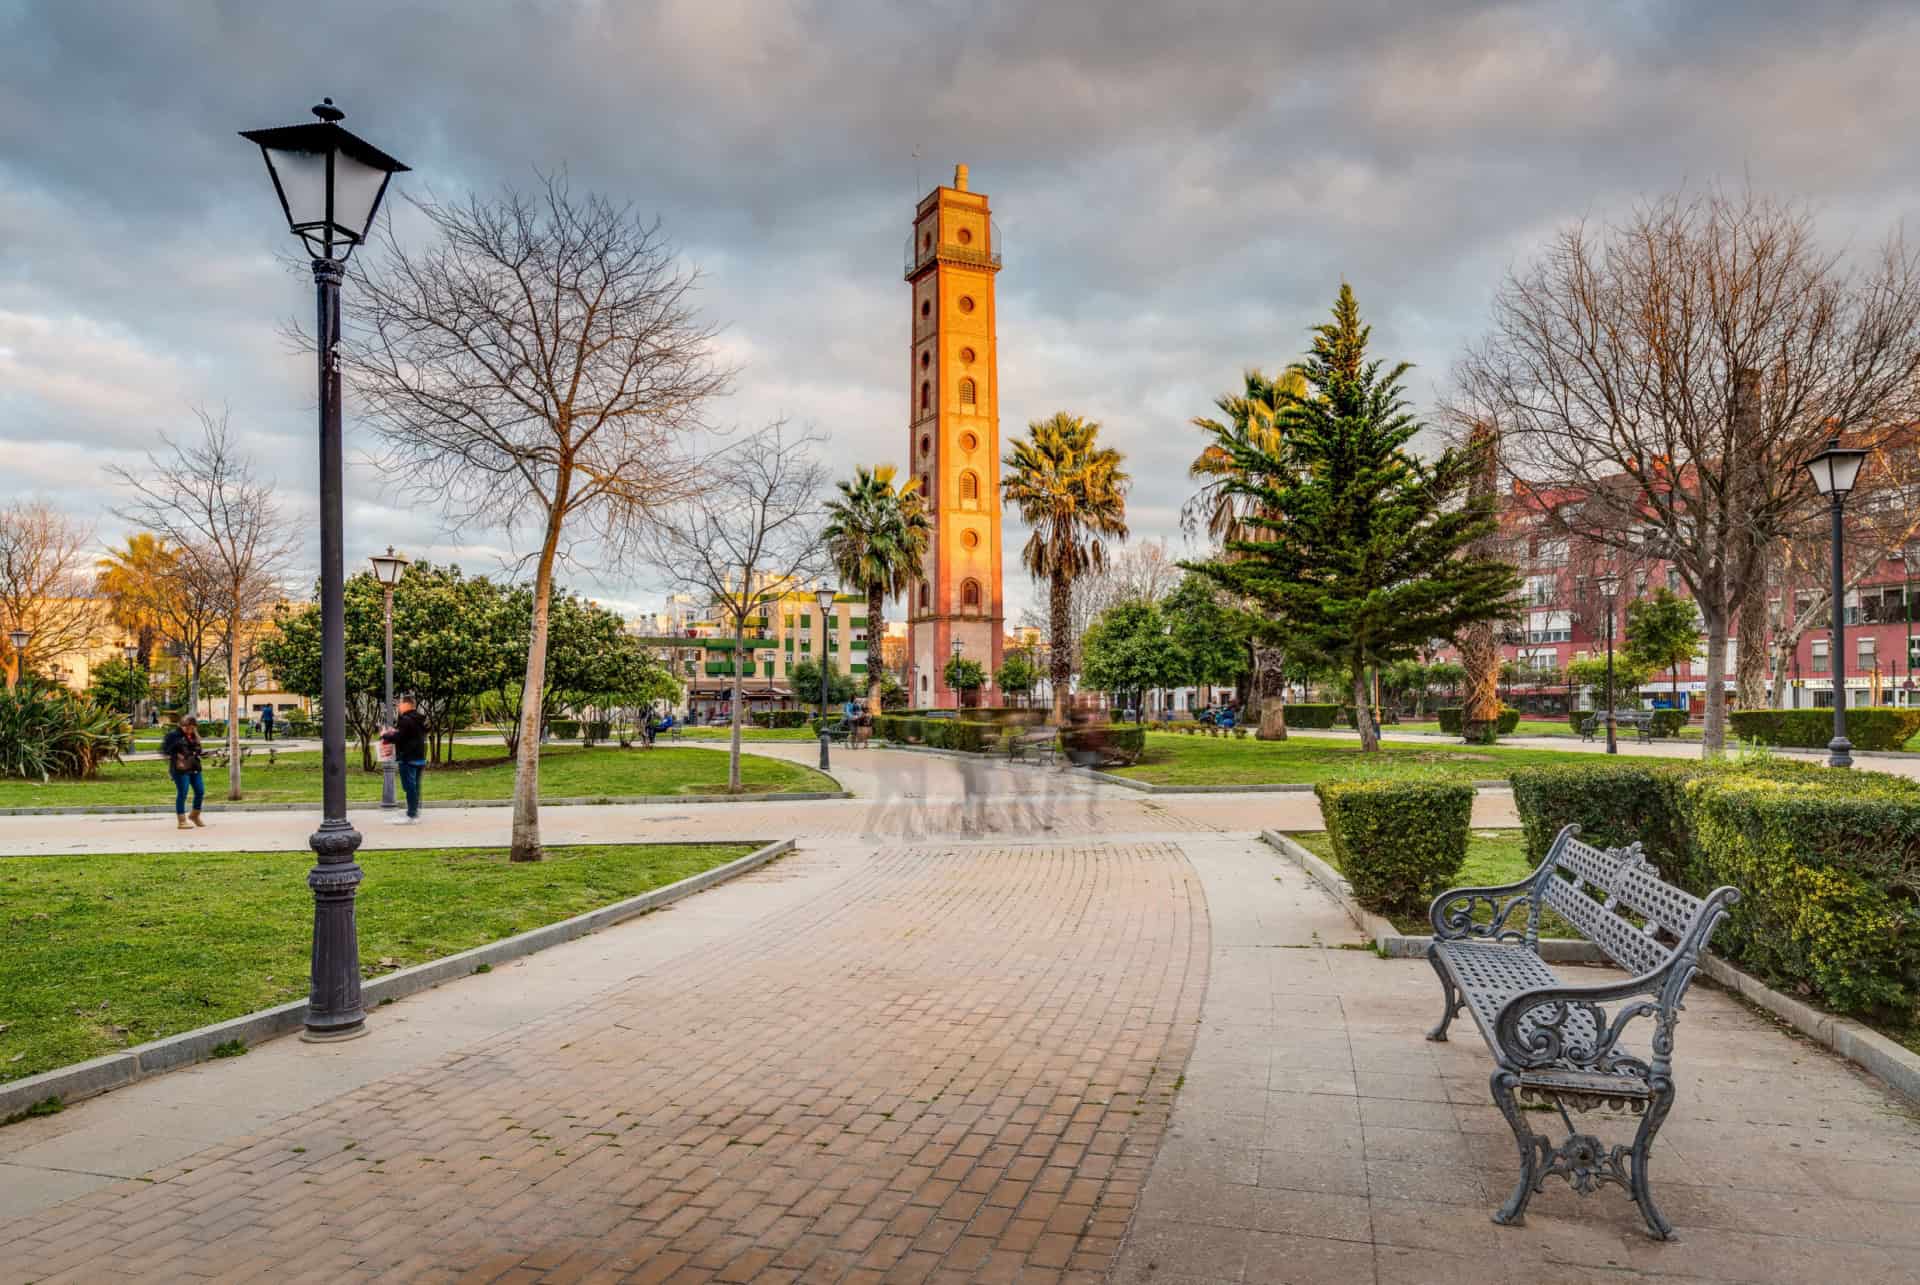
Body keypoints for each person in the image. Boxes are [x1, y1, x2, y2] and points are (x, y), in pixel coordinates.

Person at [381, 695, 429, 824]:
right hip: (419, 757)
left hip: (408, 758)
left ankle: (411, 816)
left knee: (409, 787)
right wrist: (396, 733)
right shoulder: (420, 719)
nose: (398, 707)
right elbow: (408, 735)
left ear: (407, 705)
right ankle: (414, 812)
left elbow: (399, 737)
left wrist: (386, 735)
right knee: (415, 787)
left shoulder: (406, 719)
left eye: (399, 704)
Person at [161, 715, 205, 830]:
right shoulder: (173, 735)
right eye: (188, 727)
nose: (190, 730)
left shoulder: (194, 736)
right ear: (182, 725)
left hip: (194, 766)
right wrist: (176, 753)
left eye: (193, 727)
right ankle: (181, 821)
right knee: (183, 792)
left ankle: (194, 815)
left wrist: (200, 751)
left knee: (200, 791)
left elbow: (199, 750)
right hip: (180, 768)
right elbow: (165, 749)